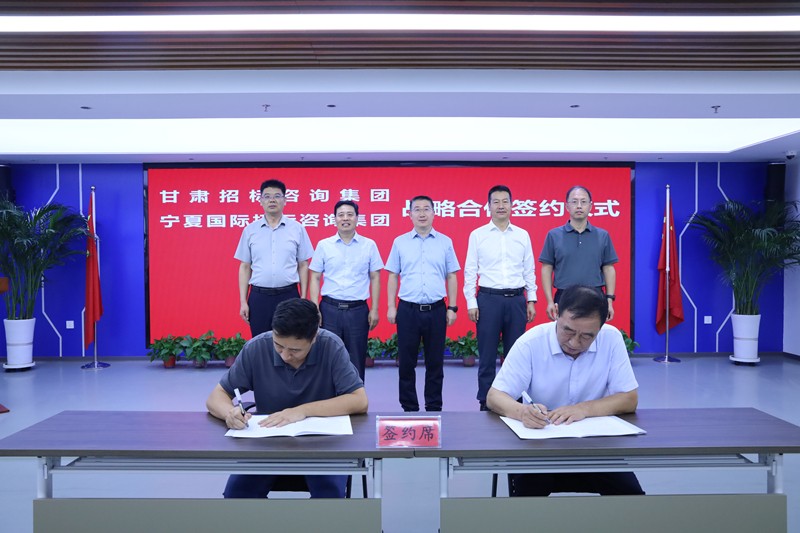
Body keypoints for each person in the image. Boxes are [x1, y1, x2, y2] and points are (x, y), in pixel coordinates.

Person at [486, 285, 643, 497]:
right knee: (527, 500)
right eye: (568, 330)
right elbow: (494, 396)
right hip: (540, 446)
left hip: (595, 445)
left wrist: (583, 409)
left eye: (587, 336)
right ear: (556, 312)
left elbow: (629, 399)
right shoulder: (531, 343)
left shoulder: (611, 339)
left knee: (631, 496)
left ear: (601, 327)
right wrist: (523, 412)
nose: (574, 342)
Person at [206, 298, 368, 499]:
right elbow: (216, 396)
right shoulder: (257, 348)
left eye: (295, 350)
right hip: (267, 443)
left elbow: (359, 400)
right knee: (238, 493)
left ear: (314, 337)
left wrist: (302, 411)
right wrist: (229, 413)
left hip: (322, 443)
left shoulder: (331, 346)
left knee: (329, 494)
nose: (284, 355)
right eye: (279, 346)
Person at [463, 184, 537, 411]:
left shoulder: (522, 235)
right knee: (486, 356)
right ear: (489, 206)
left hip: (516, 300)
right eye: (496, 202)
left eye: (505, 201)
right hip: (488, 300)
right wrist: (471, 301)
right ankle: (485, 401)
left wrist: (531, 299)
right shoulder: (478, 235)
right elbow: (470, 270)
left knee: (516, 356)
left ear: (512, 205)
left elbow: (529, 269)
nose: (501, 206)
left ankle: (514, 403)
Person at [386, 195, 460, 412]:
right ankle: (409, 407)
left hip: (436, 309)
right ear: (409, 214)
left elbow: (452, 276)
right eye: (416, 209)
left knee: (435, 362)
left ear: (434, 213)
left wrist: (452, 307)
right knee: (406, 362)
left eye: (426, 209)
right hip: (408, 309)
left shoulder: (445, 242)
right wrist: (391, 306)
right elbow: (393, 275)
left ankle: (434, 406)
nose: (421, 213)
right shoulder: (400, 242)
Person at [309, 200, 384, 382]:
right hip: (329, 310)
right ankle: (329, 398)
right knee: (327, 358)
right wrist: (314, 308)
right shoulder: (324, 245)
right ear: (334, 219)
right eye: (341, 215)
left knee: (356, 360)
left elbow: (375, 277)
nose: (345, 218)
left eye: (350, 214)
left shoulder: (369, 245)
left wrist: (374, 309)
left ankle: (356, 397)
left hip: (357, 310)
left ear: (357, 218)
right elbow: (315, 277)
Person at [234, 179, 314, 337]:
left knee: (290, 340)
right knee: (261, 341)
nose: (272, 200)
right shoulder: (250, 230)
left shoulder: (297, 229)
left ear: (285, 200)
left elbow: (303, 265)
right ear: (260, 201)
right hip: (259, 297)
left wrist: (303, 298)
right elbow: (245, 267)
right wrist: (243, 301)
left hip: (289, 295)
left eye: (277, 196)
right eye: (267, 196)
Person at [540, 185, 618, 321]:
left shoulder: (602, 235)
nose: (579, 206)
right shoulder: (554, 235)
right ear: (567, 206)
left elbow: (608, 268)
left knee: (593, 333)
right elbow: (546, 268)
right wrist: (549, 301)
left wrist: (609, 300)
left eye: (583, 202)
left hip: (595, 295)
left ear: (590, 206)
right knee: (565, 333)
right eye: (574, 202)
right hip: (564, 297)